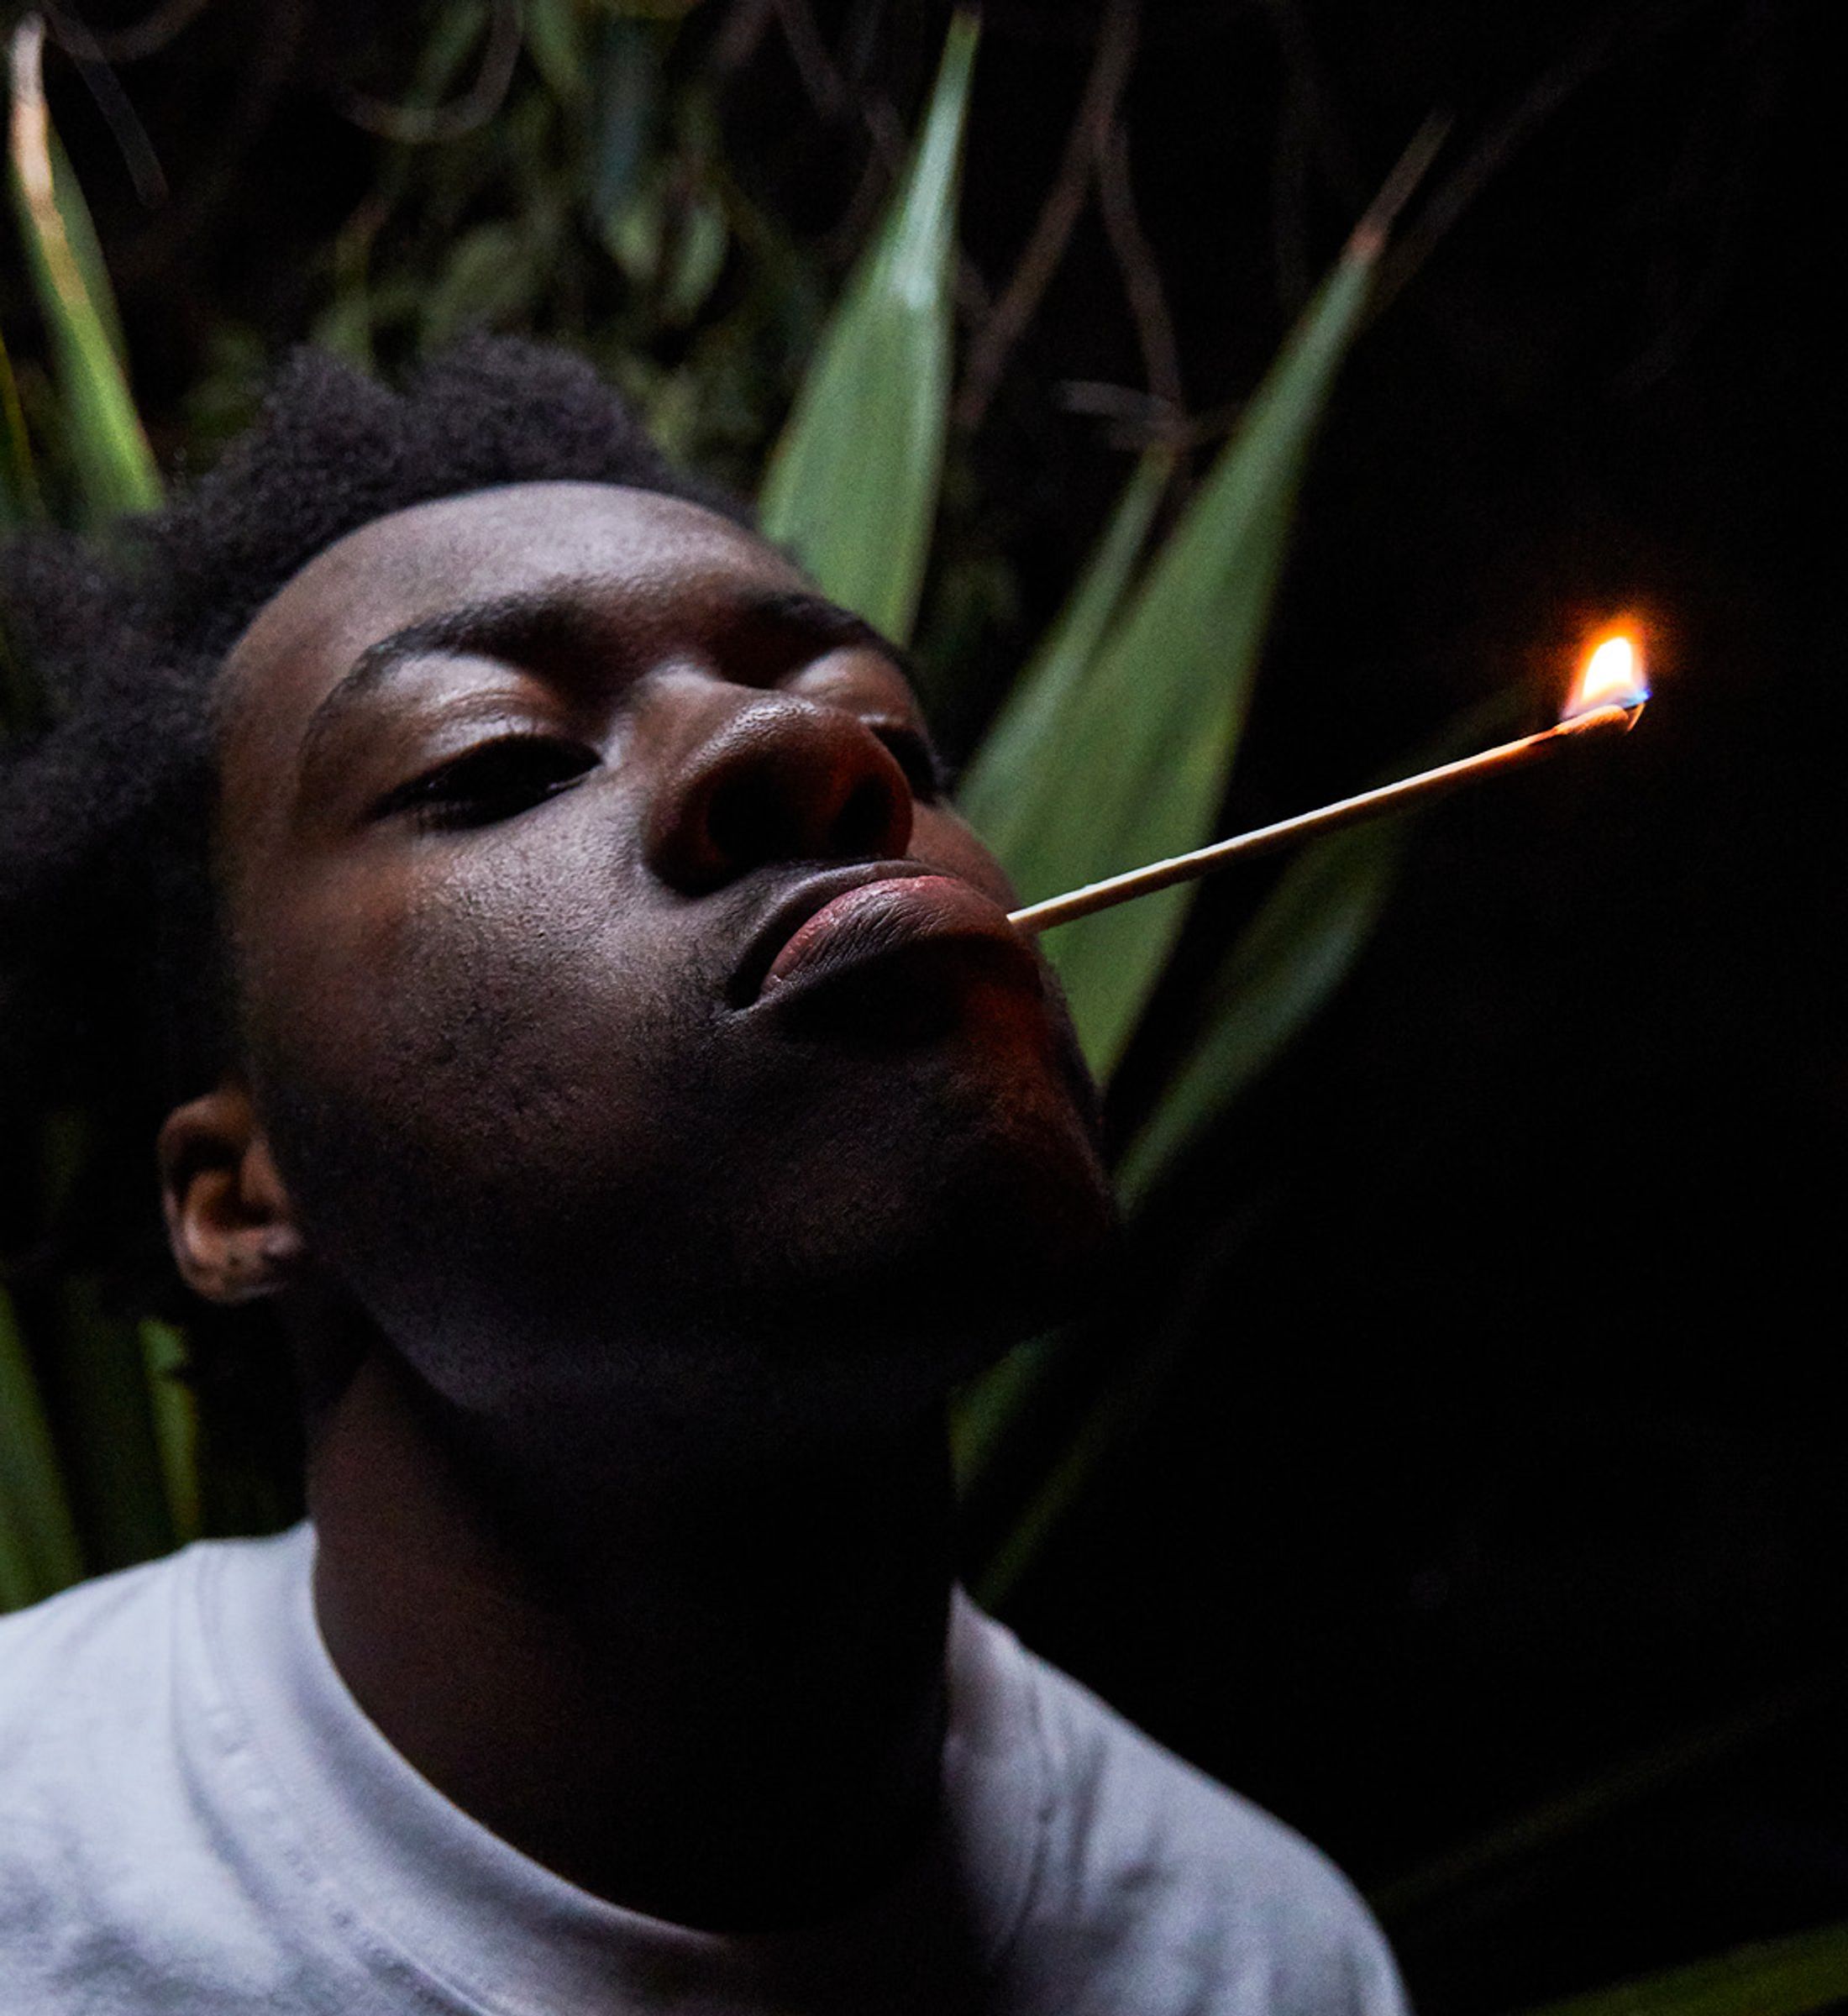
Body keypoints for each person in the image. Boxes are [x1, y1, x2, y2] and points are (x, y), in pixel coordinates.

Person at [0, 337, 1404, 2014]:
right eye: (502, 761)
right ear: (242, 1196)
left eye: (887, 731)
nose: (812, 752)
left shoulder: (1267, 1960)